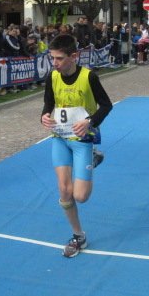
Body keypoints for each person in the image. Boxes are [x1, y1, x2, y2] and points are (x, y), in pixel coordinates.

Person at [40, 34, 112, 257]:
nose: (55, 63)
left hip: (82, 140)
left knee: (80, 196)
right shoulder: (52, 76)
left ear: (74, 56)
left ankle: (93, 156)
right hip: (60, 137)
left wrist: (89, 121)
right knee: (64, 190)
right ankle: (78, 235)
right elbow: (48, 102)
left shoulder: (89, 77)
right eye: (52, 58)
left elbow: (106, 105)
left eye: (59, 58)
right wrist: (44, 115)